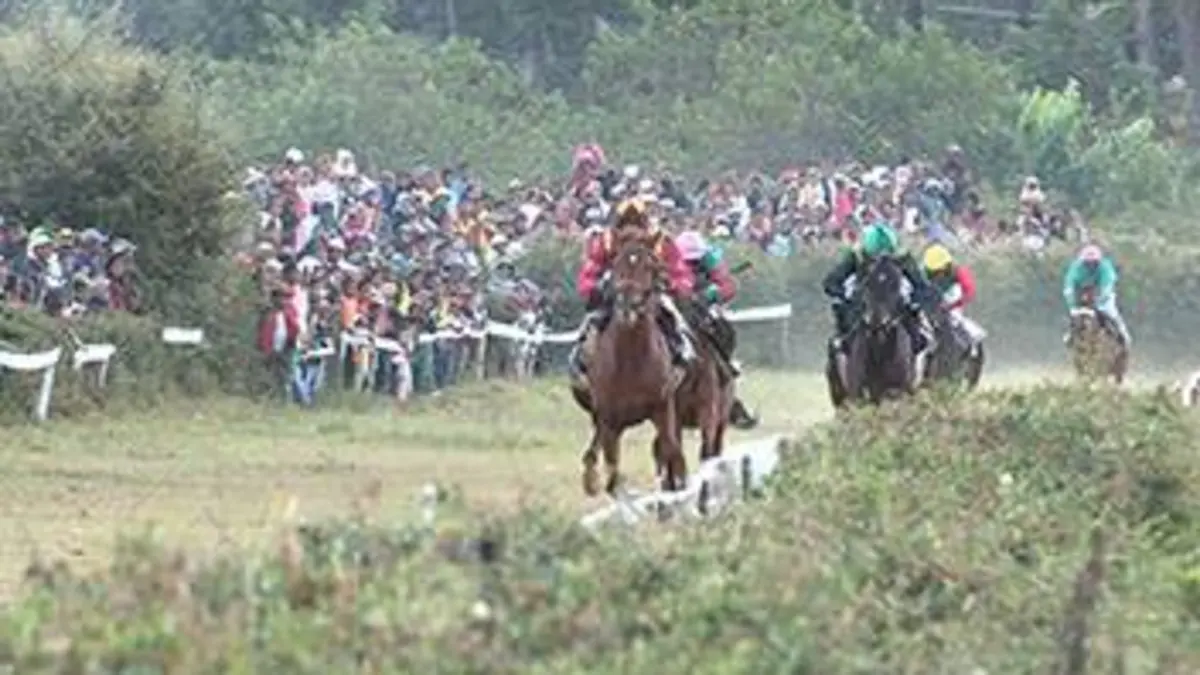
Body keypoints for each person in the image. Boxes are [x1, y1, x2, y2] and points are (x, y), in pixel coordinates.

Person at [571, 198, 695, 376]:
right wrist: (593, 288)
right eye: (627, 222)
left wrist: (673, 285)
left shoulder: (660, 241)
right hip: (613, 294)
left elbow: (680, 273)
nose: (632, 227)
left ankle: (682, 353)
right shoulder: (605, 241)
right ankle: (580, 361)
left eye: (636, 222)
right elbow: (589, 272)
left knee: (673, 317)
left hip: (651, 294)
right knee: (592, 322)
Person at [674, 229, 759, 429]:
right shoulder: (669, 258)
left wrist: (710, 294)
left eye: (695, 261)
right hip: (677, 306)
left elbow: (728, 286)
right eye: (688, 261)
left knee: (725, 330)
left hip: (704, 309)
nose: (692, 265)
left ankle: (725, 371)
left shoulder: (711, 258)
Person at [821, 221, 936, 363]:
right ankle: (840, 351)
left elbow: (922, 286)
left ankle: (922, 359)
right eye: (874, 257)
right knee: (840, 322)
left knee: (920, 334)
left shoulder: (903, 258)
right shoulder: (857, 256)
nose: (881, 261)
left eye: (886, 256)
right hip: (862, 302)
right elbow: (831, 281)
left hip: (897, 303)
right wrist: (844, 296)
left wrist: (914, 301)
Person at [921, 243, 985, 357]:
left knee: (955, 318)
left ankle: (972, 344)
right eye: (933, 272)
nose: (938, 274)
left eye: (940, 270)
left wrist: (955, 304)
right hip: (931, 304)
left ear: (948, 265)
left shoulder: (960, 272)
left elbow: (969, 291)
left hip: (953, 304)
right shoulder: (923, 273)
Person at [1062, 243, 1130, 347]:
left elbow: (1107, 286)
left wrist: (1099, 301)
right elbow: (1069, 286)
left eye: (1094, 262)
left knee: (1110, 312)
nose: (1091, 265)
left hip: (1101, 294)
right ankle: (1069, 337)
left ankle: (1123, 336)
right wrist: (1072, 304)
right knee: (1074, 316)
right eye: (1087, 263)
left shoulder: (1105, 266)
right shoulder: (1076, 267)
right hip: (1082, 294)